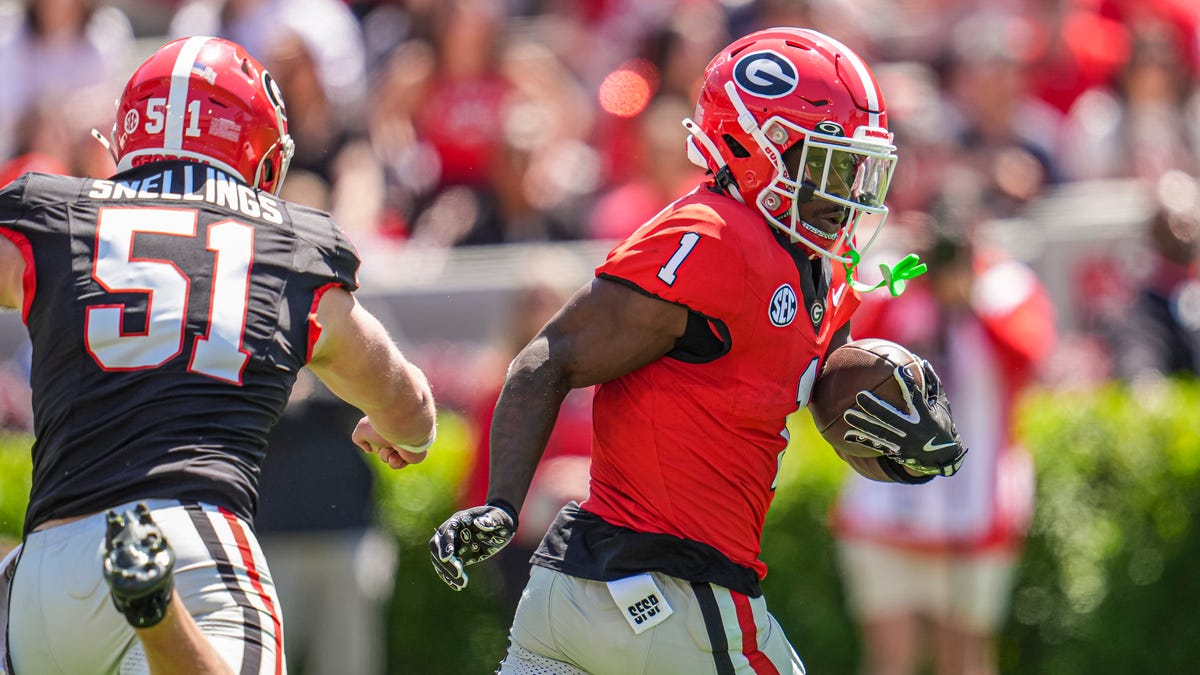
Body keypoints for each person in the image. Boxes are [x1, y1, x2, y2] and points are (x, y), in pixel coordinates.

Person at [428, 27, 968, 674]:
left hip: (576, 598)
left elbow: (812, 373)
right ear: (754, 147)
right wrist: (502, 501)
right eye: (829, 164)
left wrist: (894, 424)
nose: (849, 187)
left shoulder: (809, 265)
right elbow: (553, 354)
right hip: (674, 591)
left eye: (856, 166)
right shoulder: (716, 234)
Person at [0, 36, 436, 675]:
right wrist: (404, 435)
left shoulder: (50, 214)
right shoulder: (291, 246)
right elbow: (409, 403)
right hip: (192, 542)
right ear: (262, 153)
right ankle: (156, 610)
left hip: (45, 572)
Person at [831, 230, 1057, 675]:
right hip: (883, 510)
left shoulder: (1008, 287)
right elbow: (845, 359)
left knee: (965, 659)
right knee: (890, 660)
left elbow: (1029, 359)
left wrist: (969, 303)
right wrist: (913, 287)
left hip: (975, 510)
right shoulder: (893, 280)